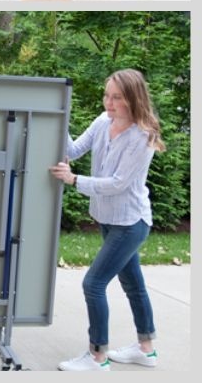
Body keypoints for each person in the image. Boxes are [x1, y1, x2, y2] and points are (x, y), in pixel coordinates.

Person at [49, 69, 163, 372]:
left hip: (130, 223)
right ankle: (146, 350)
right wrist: (59, 117)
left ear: (133, 99)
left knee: (93, 284)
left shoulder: (142, 137)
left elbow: (118, 183)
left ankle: (97, 356)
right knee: (133, 284)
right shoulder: (103, 121)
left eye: (117, 97)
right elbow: (73, 150)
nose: (108, 103)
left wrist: (74, 180)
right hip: (108, 218)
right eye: (107, 95)